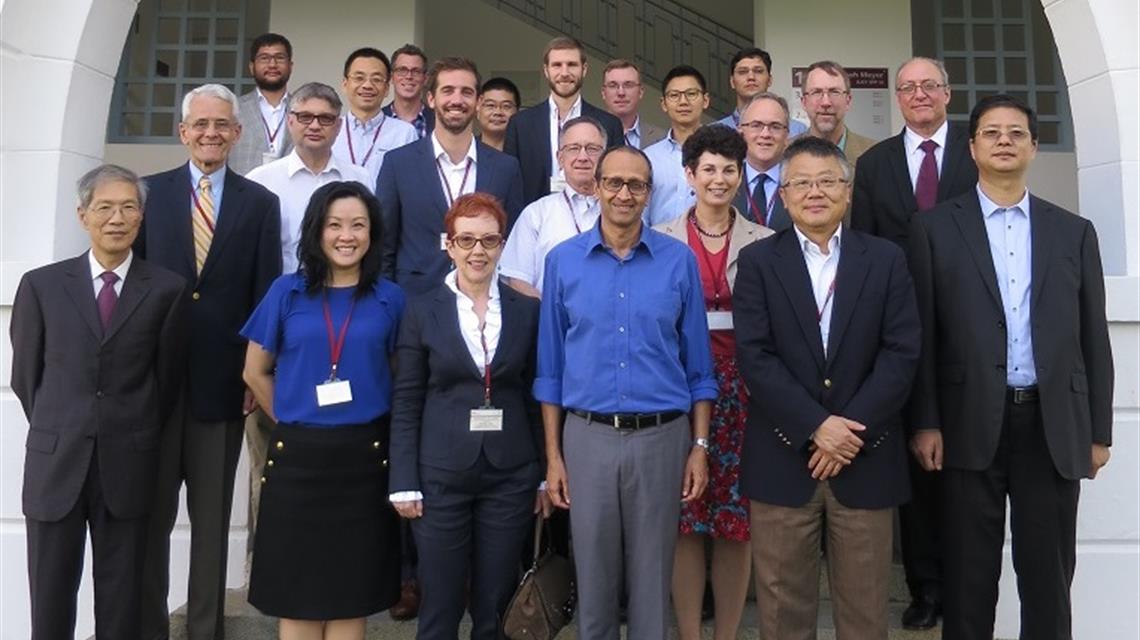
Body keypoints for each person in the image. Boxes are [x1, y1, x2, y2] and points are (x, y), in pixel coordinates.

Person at [908, 94, 1113, 640]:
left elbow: (1093, 337)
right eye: (992, 133)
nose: (1004, 140)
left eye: (1016, 133)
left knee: (1048, 578)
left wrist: (1098, 431)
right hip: (965, 422)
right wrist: (926, 421)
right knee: (969, 577)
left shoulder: (1073, 231)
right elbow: (923, 336)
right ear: (971, 147)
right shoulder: (933, 229)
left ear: (1034, 147)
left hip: (1050, 427)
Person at [734, 136, 921, 640]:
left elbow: (901, 353)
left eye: (827, 181)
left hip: (865, 459)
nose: (815, 192)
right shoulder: (756, 263)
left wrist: (847, 433)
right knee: (782, 615)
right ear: (784, 194)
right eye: (802, 183)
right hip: (782, 459)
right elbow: (755, 356)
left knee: (864, 616)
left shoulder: (885, 259)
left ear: (847, 190)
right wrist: (817, 426)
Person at [537, 145, 717, 639]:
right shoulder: (563, 263)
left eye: (636, 184)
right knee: (592, 578)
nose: (624, 193)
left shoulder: (678, 262)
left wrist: (698, 447)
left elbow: (699, 367)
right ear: (595, 187)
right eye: (613, 182)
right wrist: (553, 457)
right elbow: (549, 370)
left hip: (662, 438)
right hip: (587, 437)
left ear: (649, 193)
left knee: (652, 579)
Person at [11, 164, 187, 640]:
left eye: (128, 207)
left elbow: (166, 383)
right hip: (56, 463)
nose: (117, 217)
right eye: (105, 207)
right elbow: (27, 378)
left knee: (121, 604)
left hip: (128, 464)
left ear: (142, 216)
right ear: (82, 214)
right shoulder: (41, 286)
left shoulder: (166, 290)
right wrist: (68, 423)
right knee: (49, 602)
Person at [137, 84, 282, 640]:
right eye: (200, 124)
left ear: (237, 133)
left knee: (214, 522)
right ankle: (150, 627)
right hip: (154, 386)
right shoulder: (148, 195)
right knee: (150, 519)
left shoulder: (258, 204)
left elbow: (265, 296)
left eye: (222, 125)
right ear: (183, 132)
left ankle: (205, 629)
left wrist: (256, 374)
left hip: (223, 388)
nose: (211, 133)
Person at [241, 180, 405, 640]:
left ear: (372, 234)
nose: (346, 235)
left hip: (364, 458)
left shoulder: (390, 299)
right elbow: (255, 371)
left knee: (349, 591)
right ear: (317, 231)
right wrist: (295, 416)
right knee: (298, 591)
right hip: (296, 459)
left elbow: (397, 376)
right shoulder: (286, 292)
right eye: (335, 225)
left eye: (358, 225)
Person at [850, 56, 979, 629]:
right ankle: (926, 587)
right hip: (903, 330)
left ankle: (970, 585)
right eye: (909, 88)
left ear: (948, 94)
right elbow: (867, 248)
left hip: (973, 328)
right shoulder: (875, 164)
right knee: (919, 463)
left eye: (930, 86)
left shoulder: (977, 150)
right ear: (896, 98)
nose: (920, 95)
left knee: (970, 460)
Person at [390, 192, 547, 640]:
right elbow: (406, 399)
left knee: (496, 605)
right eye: (467, 240)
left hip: (510, 473)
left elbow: (534, 396)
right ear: (449, 244)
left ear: (501, 245)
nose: (478, 251)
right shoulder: (420, 309)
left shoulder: (526, 311)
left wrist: (539, 474)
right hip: (440, 473)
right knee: (438, 603)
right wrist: (403, 479)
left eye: (489, 240)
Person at [653, 124, 772, 640]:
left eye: (729, 169)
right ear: (689, 175)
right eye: (709, 170)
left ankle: (725, 633)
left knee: (734, 522)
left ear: (741, 176)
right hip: (680, 391)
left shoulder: (765, 241)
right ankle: (689, 634)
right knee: (685, 519)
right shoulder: (659, 238)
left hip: (746, 395)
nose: (719, 179)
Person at [378, 56, 524, 297]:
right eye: (448, 91)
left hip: (484, 302)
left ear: (478, 102)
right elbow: (383, 247)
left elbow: (513, 247)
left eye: (466, 92)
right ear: (431, 99)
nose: (457, 100)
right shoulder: (398, 163)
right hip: (414, 302)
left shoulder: (506, 168)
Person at [248, 81, 372, 274]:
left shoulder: (360, 179)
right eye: (305, 117)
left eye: (325, 119)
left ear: (338, 126)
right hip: (284, 295)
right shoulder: (261, 181)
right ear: (290, 122)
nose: (315, 126)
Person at [504, 36, 624, 205]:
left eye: (572, 65)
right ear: (546, 70)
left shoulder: (609, 124)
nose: (565, 73)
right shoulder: (520, 124)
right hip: (537, 220)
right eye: (557, 65)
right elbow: (511, 184)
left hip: (593, 218)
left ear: (584, 69)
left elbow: (617, 177)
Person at [500, 116, 605, 297]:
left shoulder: (622, 211)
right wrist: (552, 315)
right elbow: (517, 280)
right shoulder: (536, 214)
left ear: (605, 157)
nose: (583, 157)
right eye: (573, 148)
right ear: (560, 158)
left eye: (592, 149)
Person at [332, 47, 418, 188]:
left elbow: (410, 185)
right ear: (345, 84)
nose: (367, 85)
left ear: (386, 89)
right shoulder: (331, 129)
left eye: (376, 79)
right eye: (359, 78)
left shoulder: (404, 133)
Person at [643, 65, 709, 226]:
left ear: (705, 100)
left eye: (691, 94)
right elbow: (641, 215)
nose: (683, 102)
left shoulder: (720, 154)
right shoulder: (648, 158)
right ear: (664, 104)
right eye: (674, 95)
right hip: (658, 246)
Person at [231, 33, 294, 175]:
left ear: (290, 66)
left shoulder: (303, 110)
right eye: (264, 58)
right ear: (252, 67)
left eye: (280, 58)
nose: (272, 64)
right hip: (244, 192)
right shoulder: (233, 109)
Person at [799, 60, 877, 166]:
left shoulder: (875, 154)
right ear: (804, 102)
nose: (826, 103)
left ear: (848, 101)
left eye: (834, 92)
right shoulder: (783, 154)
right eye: (816, 92)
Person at [733, 92, 793, 229]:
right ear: (741, 132)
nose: (765, 134)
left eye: (775, 126)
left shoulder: (800, 183)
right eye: (756, 125)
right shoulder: (724, 180)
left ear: (786, 136)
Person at [715, 47, 807, 136]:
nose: (751, 77)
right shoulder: (715, 132)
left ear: (770, 80)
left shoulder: (797, 130)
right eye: (743, 72)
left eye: (758, 71)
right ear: (732, 82)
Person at [600, 59, 665, 148]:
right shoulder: (587, 133)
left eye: (628, 85)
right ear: (603, 93)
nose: (621, 93)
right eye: (613, 85)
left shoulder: (660, 138)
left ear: (641, 92)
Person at [383, 43, 435, 139]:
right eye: (402, 70)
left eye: (416, 71)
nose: (409, 76)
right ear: (391, 77)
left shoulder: (438, 120)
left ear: (425, 78)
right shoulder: (377, 119)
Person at [476, 76, 520, 152]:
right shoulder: (466, 151)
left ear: (517, 112)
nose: (498, 112)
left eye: (506, 106)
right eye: (490, 105)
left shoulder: (526, 152)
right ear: (478, 110)